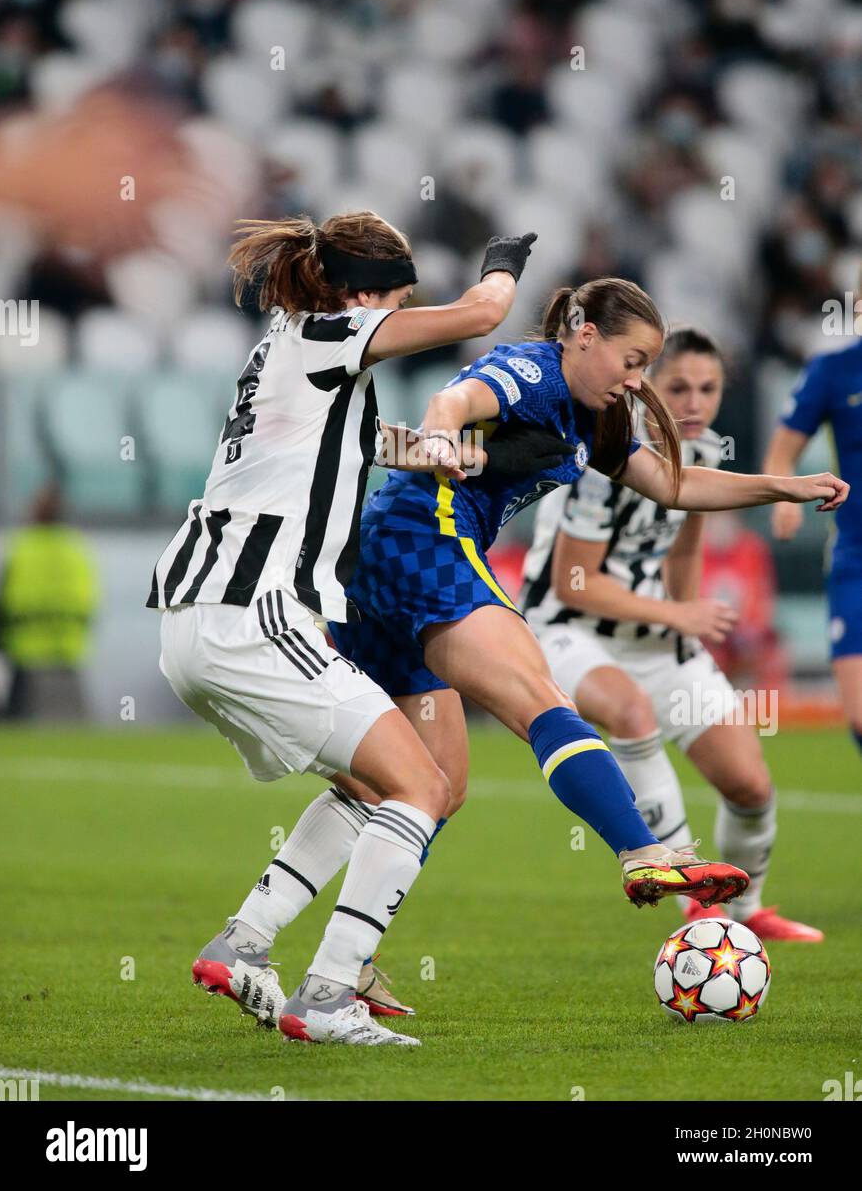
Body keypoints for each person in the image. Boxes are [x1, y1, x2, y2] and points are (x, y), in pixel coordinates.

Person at [239, 278, 846, 1016]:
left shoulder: (595, 415)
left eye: (646, 365)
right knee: (542, 700)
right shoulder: (534, 371)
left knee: (425, 786)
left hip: (384, 560)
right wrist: (436, 433)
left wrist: (781, 489)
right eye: (632, 359)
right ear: (582, 334)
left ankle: (258, 944)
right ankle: (642, 849)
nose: (638, 379)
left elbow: (675, 486)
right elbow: (456, 404)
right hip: (423, 538)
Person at [147, 211, 542, 1047]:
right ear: (364, 296)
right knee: (425, 786)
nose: (399, 313)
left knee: (374, 787)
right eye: (397, 298)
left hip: (203, 620)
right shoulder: (333, 331)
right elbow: (481, 314)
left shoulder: (293, 353)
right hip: (250, 612)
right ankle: (327, 994)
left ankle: (244, 943)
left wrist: (485, 461)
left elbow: (375, 450)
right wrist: (505, 259)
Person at [521, 327, 823, 942]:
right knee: (631, 712)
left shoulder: (704, 449)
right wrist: (677, 616)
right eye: (678, 386)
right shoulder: (608, 449)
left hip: (656, 631)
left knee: (750, 784)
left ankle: (746, 911)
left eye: (707, 389)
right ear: (647, 384)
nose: (693, 402)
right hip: (568, 630)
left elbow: (685, 547)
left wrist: (686, 624)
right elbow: (575, 581)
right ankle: (689, 892)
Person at [763, 325, 862, 757]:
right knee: (859, 714)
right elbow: (782, 453)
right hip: (855, 558)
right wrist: (785, 497)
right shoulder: (833, 371)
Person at [0, 484, 99, 721]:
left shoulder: (22, 547)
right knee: (71, 718)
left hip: (26, 646)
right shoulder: (77, 549)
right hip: (69, 645)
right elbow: (90, 598)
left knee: (17, 719)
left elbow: (4, 599)